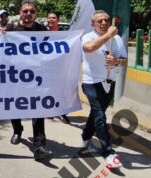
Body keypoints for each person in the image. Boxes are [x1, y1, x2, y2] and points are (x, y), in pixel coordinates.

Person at [5, 0, 53, 161]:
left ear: (35, 14)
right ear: (20, 12)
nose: (28, 14)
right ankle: (17, 130)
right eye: (25, 11)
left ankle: (39, 144)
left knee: (38, 110)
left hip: (35, 78)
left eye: (32, 11)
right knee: (15, 107)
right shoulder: (10, 29)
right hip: (14, 78)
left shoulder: (41, 30)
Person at [81, 10, 127, 169]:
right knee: (100, 116)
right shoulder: (88, 37)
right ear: (92, 24)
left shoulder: (118, 40)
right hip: (92, 83)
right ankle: (108, 152)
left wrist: (116, 61)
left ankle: (86, 137)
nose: (104, 23)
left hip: (110, 82)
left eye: (106, 20)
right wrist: (108, 36)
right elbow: (89, 48)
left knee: (95, 114)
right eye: (99, 21)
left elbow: (124, 61)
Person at [47, 11, 71, 125]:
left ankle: (62, 113)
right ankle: (50, 110)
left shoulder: (64, 35)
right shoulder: (42, 33)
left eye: (53, 17)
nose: (51, 19)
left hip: (61, 67)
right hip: (46, 67)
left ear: (58, 20)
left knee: (61, 90)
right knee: (48, 89)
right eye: (49, 18)